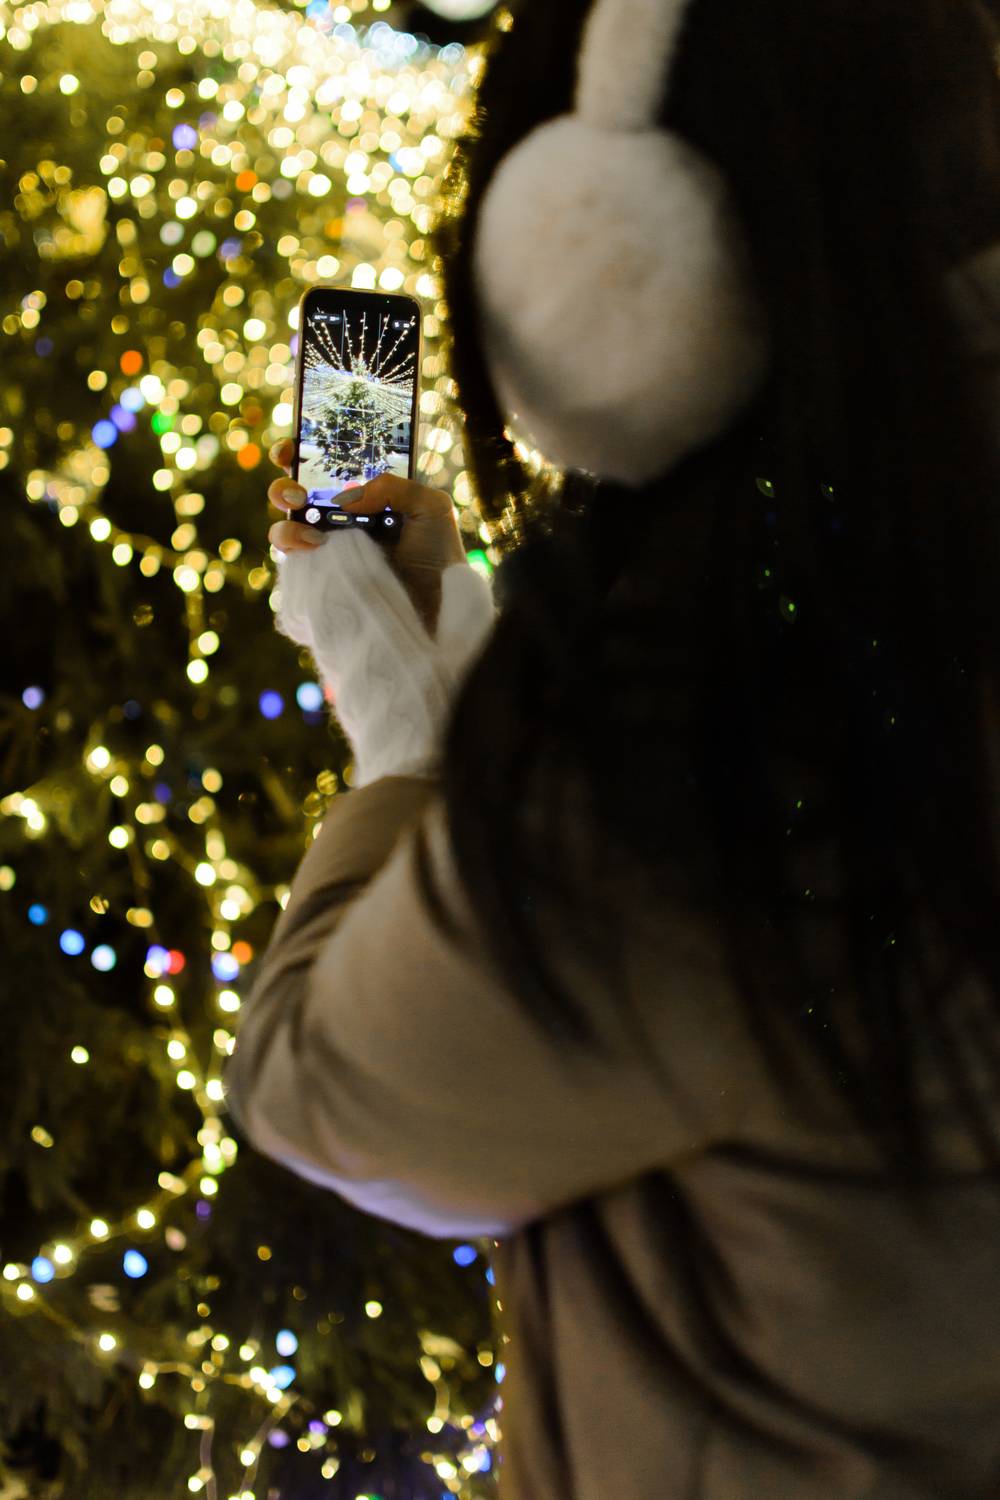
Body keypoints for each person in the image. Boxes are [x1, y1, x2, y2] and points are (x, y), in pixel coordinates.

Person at [223, 0, 1000, 1494]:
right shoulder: (899, 571)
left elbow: (324, 1089)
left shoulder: (733, 734)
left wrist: (412, 738)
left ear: (620, 268)